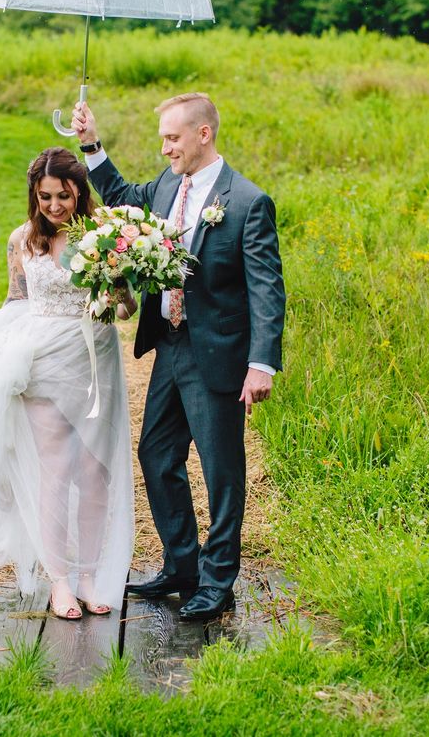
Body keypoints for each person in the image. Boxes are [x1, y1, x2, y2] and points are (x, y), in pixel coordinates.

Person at [71, 94, 285, 621]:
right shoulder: (168, 185)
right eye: (163, 138)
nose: (164, 148)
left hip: (217, 354)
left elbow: (266, 289)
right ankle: (181, 565)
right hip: (169, 345)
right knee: (158, 456)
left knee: (222, 471)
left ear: (203, 134)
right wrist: (91, 145)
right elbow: (122, 195)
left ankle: (218, 582)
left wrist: (262, 362)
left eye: (172, 138)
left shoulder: (246, 202)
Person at [0, 147, 134, 621]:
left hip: (93, 358)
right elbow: (15, 300)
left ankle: (88, 575)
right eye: (45, 197)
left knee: (94, 472)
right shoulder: (22, 240)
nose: (55, 206)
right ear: (34, 196)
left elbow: (126, 310)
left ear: (79, 192)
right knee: (57, 470)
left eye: (63, 196)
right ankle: (60, 580)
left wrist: (116, 287)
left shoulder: (103, 237)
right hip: (43, 360)